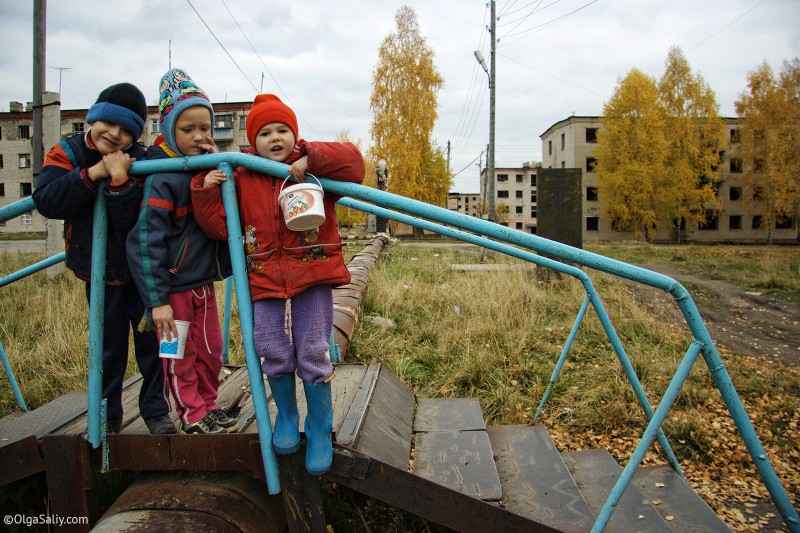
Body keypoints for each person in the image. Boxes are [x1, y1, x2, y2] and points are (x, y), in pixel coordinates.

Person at [192, 94, 365, 474]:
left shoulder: (309, 168)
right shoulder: (242, 174)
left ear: (295, 135)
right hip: (263, 274)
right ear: (252, 141)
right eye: (265, 132)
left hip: (312, 271)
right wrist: (205, 190)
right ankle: (286, 417)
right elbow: (221, 226)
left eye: (283, 130)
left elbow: (356, 164)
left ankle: (318, 426)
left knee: (313, 347)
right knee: (269, 343)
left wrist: (312, 158)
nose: (275, 138)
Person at [33, 83, 176, 435]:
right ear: (92, 119)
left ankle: (156, 410)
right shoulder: (66, 153)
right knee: (108, 348)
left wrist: (121, 180)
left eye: (127, 130)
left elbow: (133, 217)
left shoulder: (142, 159)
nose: (115, 135)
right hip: (98, 274)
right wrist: (94, 174)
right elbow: (47, 200)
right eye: (109, 124)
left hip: (142, 274)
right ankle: (108, 414)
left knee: (154, 346)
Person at [126, 68, 237, 435]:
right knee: (179, 356)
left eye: (205, 127)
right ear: (170, 129)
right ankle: (191, 414)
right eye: (188, 129)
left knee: (211, 350)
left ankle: (208, 405)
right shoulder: (162, 175)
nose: (199, 136)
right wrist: (157, 301)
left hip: (202, 282)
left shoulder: (207, 164)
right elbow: (146, 241)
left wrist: (216, 169)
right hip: (172, 292)